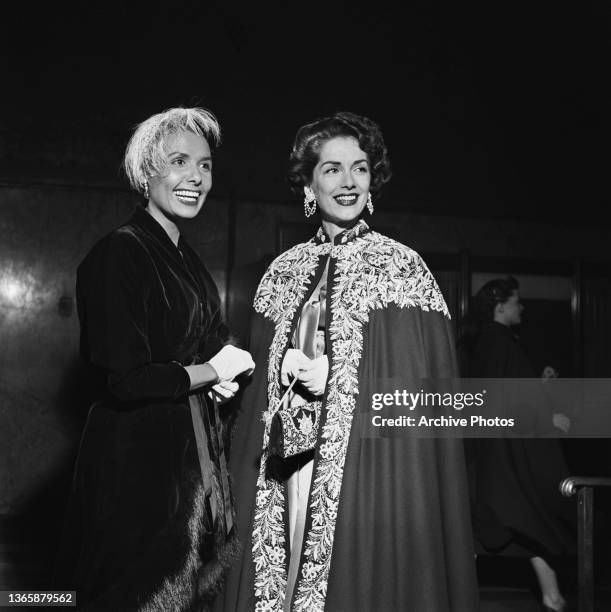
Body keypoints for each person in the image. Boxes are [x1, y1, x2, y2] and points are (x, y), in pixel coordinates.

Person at [218, 112, 478, 611]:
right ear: (309, 183)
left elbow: (425, 399)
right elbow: (254, 397)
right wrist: (276, 370)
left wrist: (339, 382)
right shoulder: (281, 272)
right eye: (332, 169)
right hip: (288, 467)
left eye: (359, 168)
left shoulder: (403, 269)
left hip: (369, 468)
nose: (348, 182)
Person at [55, 107, 255, 611]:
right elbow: (126, 378)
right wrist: (211, 371)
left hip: (190, 464)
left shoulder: (184, 255)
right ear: (147, 172)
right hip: (137, 468)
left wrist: (228, 364)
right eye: (179, 161)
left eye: (205, 165)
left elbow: (206, 337)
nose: (195, 177)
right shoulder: (118, 253)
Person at [464, 276, 574, 612]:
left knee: (522, 522)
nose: (521, 307)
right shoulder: (500, 345)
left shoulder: (492, 344)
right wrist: (547, 419)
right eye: (516, 301)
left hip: (496, 454)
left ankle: (552, 596)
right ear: (500, 306)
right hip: (506, 456)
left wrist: (539, 386)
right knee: (529, 518)